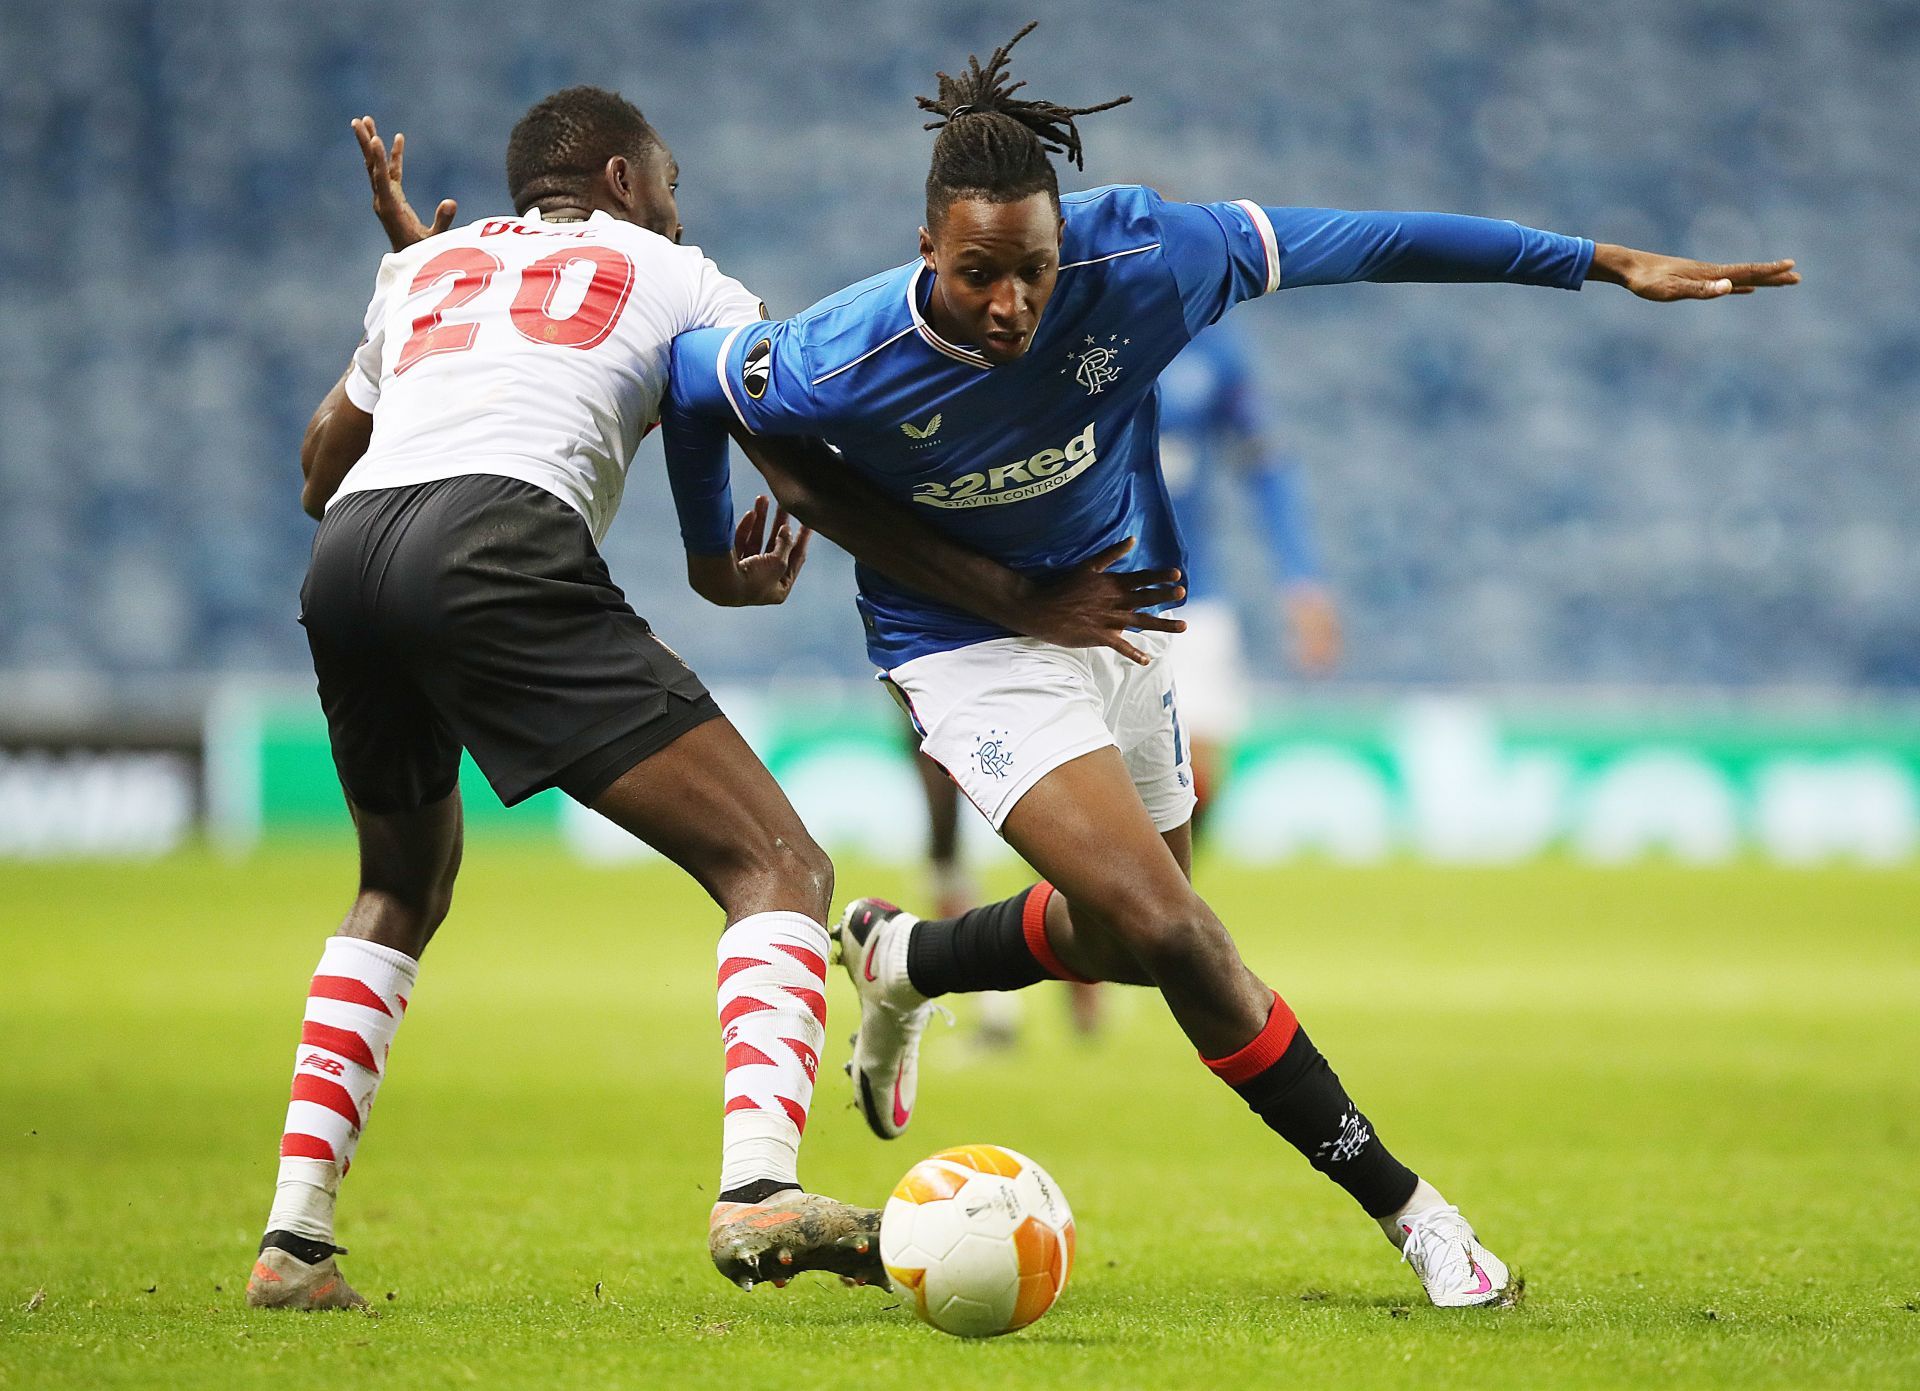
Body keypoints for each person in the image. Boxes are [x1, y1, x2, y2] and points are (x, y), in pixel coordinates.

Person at [661, 23, 1797, 1308]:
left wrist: (1599, 262)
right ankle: (1420, 1216)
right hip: (972, 646)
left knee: (1123, 936)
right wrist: (719, 558)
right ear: (927, 245)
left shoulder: (1148, 250)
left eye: (1032, 271)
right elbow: (694, 382)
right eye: (978, 273)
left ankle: (904, 959)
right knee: (1180, 933)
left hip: (1121, 611)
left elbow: (1366, 241)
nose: (1010, 305)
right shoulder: (838, 350)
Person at [249, 86, 1183, 1312]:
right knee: (781, 863)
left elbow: (324, 468)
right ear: (629, 181)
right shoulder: (678, 273)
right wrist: (784, 561)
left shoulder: (427, 266)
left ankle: (294, 1244)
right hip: (499, 548)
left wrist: (424, 302)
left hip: (351, 563)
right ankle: (758, 1190)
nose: (681, 205)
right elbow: (783, 450)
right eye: (672, 180)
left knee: (396, 886)